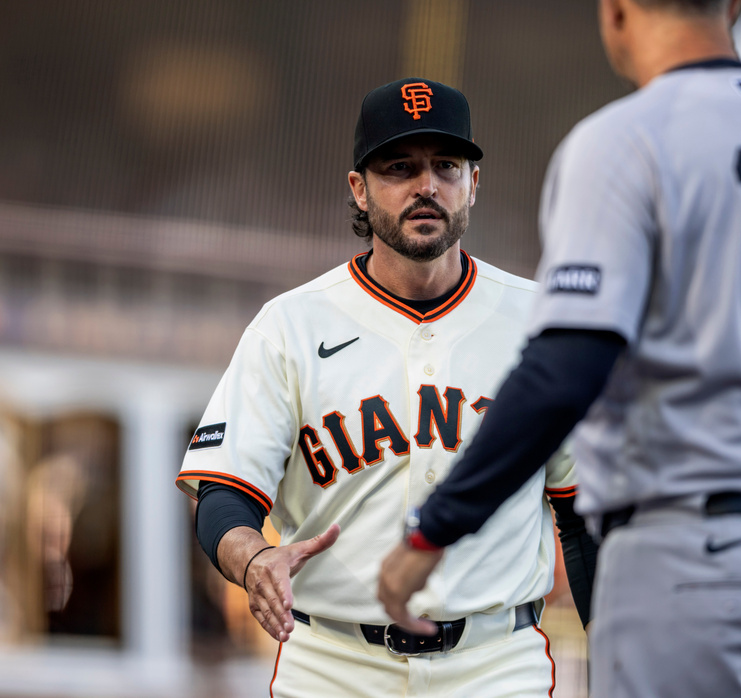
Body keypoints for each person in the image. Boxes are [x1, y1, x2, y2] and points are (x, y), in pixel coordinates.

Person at [377, 1, 741, 697]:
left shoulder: (623, 141)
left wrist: (434, 531)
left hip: (700, 564)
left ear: (616, 11)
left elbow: (565, 374)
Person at [176, 77, 596, 698]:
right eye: (399, 167)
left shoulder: (539, 319)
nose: (426, 186)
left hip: (497, 664)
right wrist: (252, 557)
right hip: (332, 664)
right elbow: (222, 495)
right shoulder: (290, 325)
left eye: (446, 166)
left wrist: (619, 650)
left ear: (472, 184)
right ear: (359, 188)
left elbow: (581, 517)